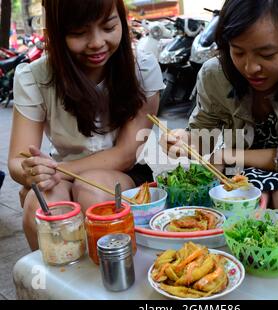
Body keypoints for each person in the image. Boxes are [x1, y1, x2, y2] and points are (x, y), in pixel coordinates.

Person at [161, 0, 278, 220]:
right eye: (238, 52)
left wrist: (228, 155)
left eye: (267, 54)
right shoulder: (215, 73)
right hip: (240, 164)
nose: (251, 68)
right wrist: (184, 141)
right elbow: (204, 133)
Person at [8, 0, 164, 250]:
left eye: (109, 27)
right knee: (42, 207)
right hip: (61, 171)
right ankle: (52, 287)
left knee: (93, 192)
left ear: (122, 20)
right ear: (57, 33)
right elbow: (17, 160)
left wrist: (58, 171)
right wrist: (31, 172)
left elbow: (125, 154)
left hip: (125, 173)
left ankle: (108, 278)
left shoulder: (142, 69)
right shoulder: (34, 78)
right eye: (79, 32)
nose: (96, 42)